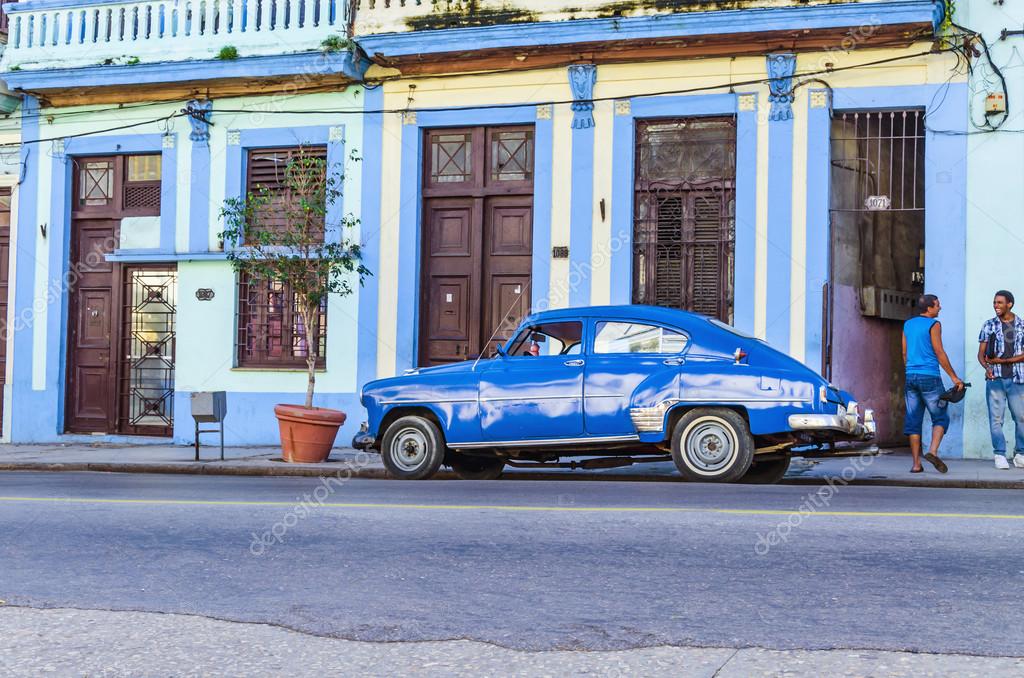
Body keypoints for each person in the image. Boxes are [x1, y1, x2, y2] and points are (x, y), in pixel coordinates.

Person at [902, 294, 964, 473]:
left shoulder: (907, 324)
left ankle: (915, 464)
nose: (940, 308)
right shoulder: (934, 324)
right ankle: (932, 451)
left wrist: (911, 370)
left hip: (911, 376)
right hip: (929, 376)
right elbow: (939, 351)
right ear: (929, 308)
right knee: (940, 416)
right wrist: (954, 377)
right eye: (937, 305)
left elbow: (905, 353)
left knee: (913, 420)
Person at [977, 290, 1024, 470]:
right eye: (995, 302)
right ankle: (1000, 454)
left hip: (1018, 379)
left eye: (999, 303)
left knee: (1021, 418)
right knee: (996, 419)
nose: (996, 306)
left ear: (1009, 304)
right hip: (995, 379)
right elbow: (981, 355)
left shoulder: (1022, 325)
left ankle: (1020, 454)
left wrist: (1003, 361)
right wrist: (988, 368)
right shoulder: (989, 325)